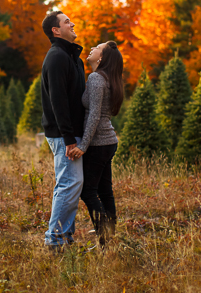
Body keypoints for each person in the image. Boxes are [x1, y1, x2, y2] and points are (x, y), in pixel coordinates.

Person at [40, 11, 86, 252]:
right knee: (69, 183)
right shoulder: (57, 57)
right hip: (63, 135)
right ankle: (55, 239)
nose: (72, 23)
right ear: (56, 30)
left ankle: (65, 236)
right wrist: (69, 138)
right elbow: (58, 101)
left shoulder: (72, 57)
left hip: (72, 133)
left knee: (72, 183)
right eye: (67, 21)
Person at [78, 40, 123, 248]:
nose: (91, 49)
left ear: (102, 58)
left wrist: (83, 146)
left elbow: (94, 115)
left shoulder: (96, 78)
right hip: (109, 141)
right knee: (105, 191)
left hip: (98, 144)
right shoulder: (108, 78)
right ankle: (109, 237)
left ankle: (104, 235)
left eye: (97, 48)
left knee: (87, 191)